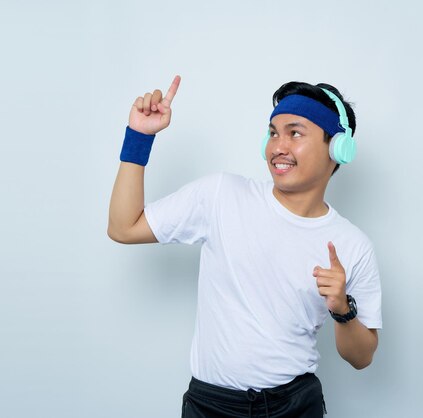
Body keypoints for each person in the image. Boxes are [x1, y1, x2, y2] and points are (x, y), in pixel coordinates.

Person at [108, 75, 382, 418]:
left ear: (337, 148)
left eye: (294, 133)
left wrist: (342, 308)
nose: (277, 146)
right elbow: (123, 227)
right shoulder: (222, 195)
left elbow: (362, 356)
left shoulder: (352, 245)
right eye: (272, 132)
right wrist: (139, 137)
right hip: (210, 406)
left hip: (295, 407)